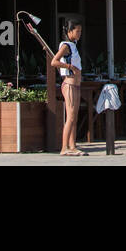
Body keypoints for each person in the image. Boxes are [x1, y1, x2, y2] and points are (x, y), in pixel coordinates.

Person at [51, 20, 86, 156]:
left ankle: (73, 146)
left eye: (80, 31)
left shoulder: (74, 45)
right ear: (69, 31)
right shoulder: (66, 46)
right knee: (70, 116)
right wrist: (70, 67)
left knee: (74, 117)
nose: (79, 33)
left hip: (76, 85)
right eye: (77, 31)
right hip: (69, 84)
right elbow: (54, 62)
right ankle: (64, 147)